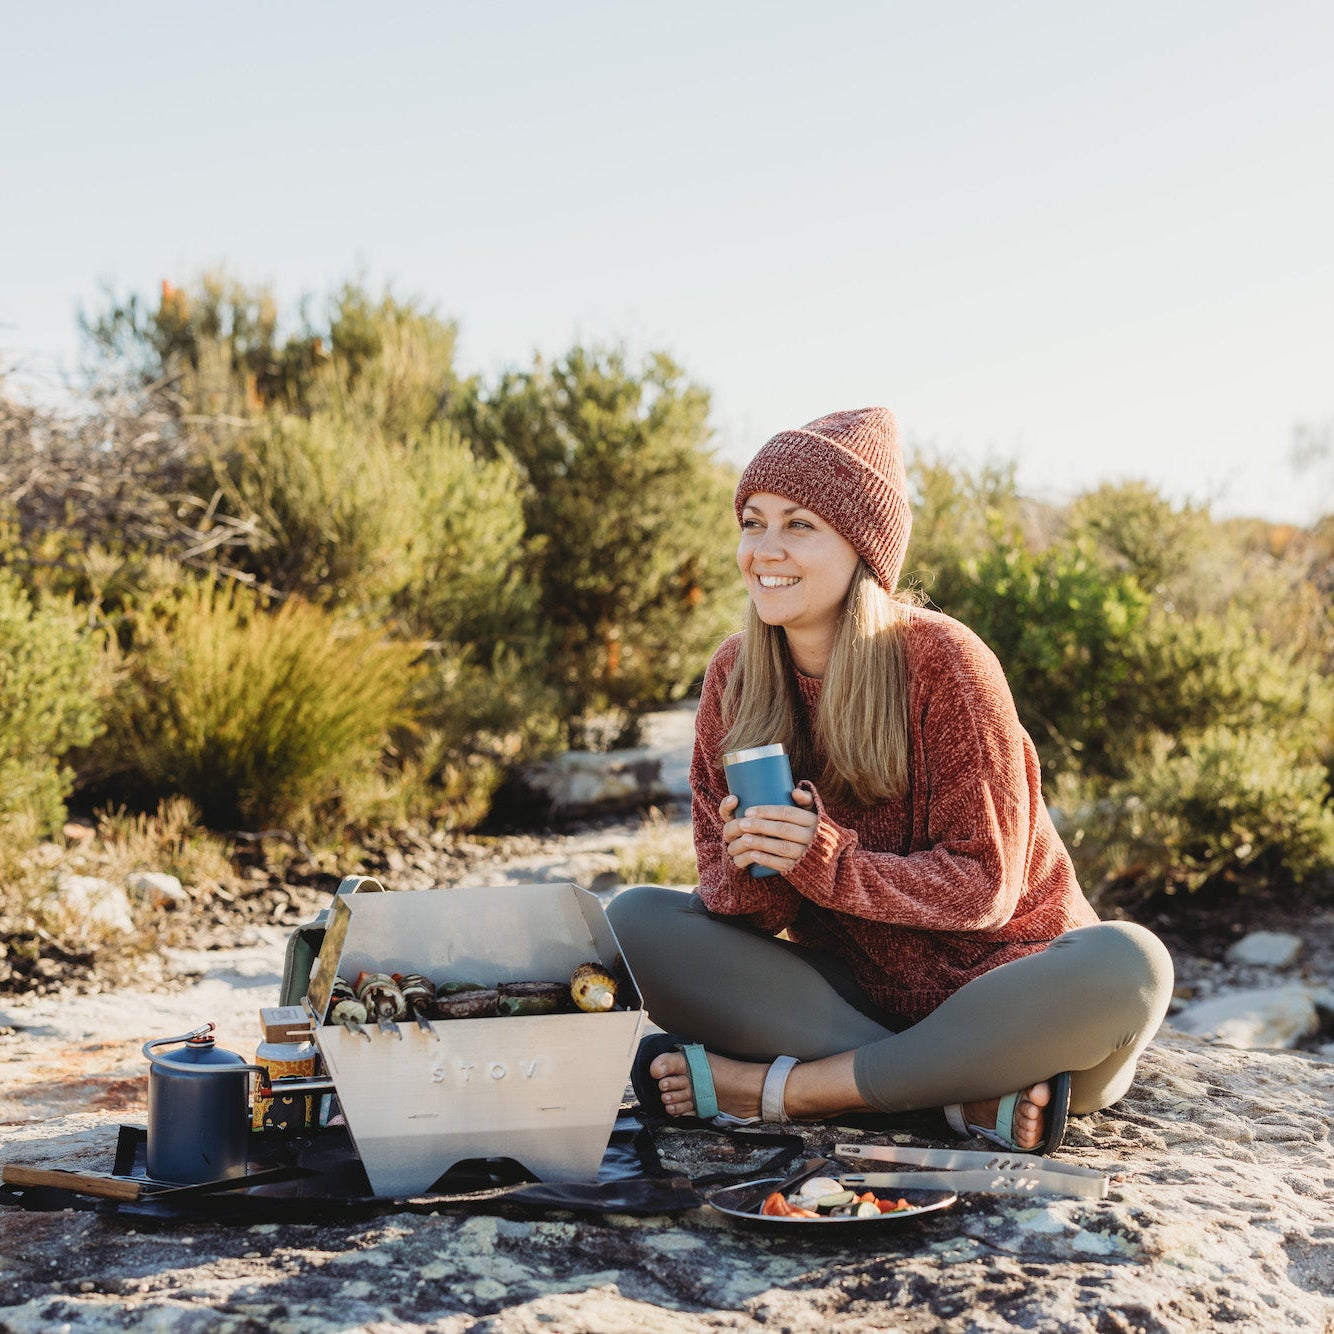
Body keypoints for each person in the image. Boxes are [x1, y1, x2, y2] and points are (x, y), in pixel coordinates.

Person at [606, 407, 1174, 1154]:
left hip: (1013, 999)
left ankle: (786, 1092)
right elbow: (736, 913)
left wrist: (827, 861)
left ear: (862, 547)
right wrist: (759, 862)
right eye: (753, 522)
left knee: (1130, 964)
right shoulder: (735, 676)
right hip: (855, 1002)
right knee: (636, 922)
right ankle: (952, 1098)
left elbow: (984, 885)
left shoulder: (946, 663)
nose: (765, 550)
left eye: (799, 525)